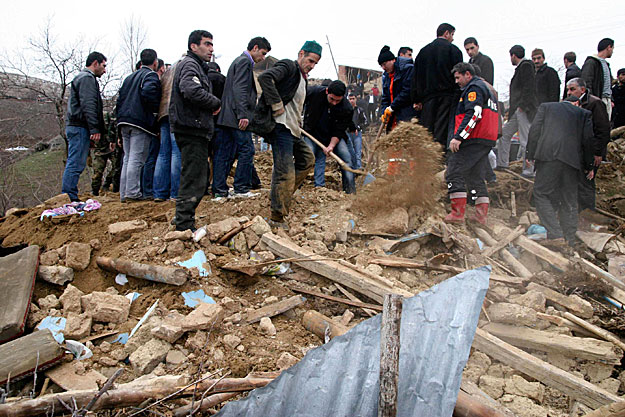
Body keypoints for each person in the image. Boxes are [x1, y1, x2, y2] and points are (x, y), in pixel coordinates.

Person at [256, 41, 321, 228]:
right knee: (285, 171)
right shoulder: (288, 66)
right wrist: (276, 104)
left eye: (315, 63)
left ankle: (281, 194)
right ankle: (277, 217)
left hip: (293, 129)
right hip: (280, 126)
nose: (311, 65)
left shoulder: (303, 78)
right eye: (310, 60)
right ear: (301, 54)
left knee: (307, 160)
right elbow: (265, 78)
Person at [169, 30, 221, 232]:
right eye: (207, 44)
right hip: (191, 129)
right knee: (194, 177)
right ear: (193, 46)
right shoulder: (190, 65)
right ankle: (183, 224)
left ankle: (182, 218)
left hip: (194, 128)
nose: (211, 49)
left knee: (197, 175)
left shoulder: (196, 66)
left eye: (211, 44)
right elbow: (191, 90)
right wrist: (215, 102)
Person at [526, 97, 594, 246]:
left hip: (548, 157)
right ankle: (569, 240)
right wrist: (589, 166)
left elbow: (535, 130)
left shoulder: (546, 106)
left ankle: (555, 234)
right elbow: (588, 140)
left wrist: (530, 153)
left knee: (541, 193)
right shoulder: (583, 113)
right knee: (569, 200)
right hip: (572, 161)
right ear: (576, 103)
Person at [213, 37, 271, 199]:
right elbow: (240, 89)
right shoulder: (245, 62)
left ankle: (219, 190)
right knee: (247, 149)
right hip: (236, 117)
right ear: (255, 47)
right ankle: (241, 187)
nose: (263, 58)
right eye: (263, 53)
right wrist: (243, 115)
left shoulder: (238, 61)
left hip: (227, 117)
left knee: (225, 153)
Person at [444, 63, 498, 224]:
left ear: (467, 74)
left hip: (474, 138)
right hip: (486, 139)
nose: (456, 82)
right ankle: (480, 215)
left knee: (454, 171)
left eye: (458, 77)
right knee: (475, 175)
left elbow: (474, 114)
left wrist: (459, 136)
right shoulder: (488, 88)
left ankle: (457, 214)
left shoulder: (474, 89)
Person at [116, 48, 162, 202]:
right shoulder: (150, 76)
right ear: (155, 62)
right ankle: (133, 193)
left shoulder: (129, 78)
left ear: (141, 61)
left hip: (124, 120)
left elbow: (120, 99)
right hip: (140, 122)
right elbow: (149, 92)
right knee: (137, 158)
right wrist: (154, 112)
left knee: (128, 157)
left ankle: (124, 192)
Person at [62, 51, 107, 202]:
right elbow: (88, 104)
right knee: (76, 162)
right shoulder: (87, 78)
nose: (105, 70)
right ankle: (69, 197)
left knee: (76, 161)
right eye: (103, 65)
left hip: (77, 126)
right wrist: (94, 129)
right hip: (80, 126)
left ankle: (69, 195)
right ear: (95, 63)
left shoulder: (82, 77)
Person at [412, 23, 463, 146]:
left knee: (427, 131)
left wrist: (416, 99)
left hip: (428, 98)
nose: (453, 38)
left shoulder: (423, 52)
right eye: (452, 35)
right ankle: (440, 157)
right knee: (443, 130)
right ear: (446, 33)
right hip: (448, 97)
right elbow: (459, 76)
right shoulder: (454, 50)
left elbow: (416, 77)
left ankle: (428, 158)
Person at [566, 77, 611, 212]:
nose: (569, 92)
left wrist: (597, 153)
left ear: (582, 90)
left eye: (572, 89)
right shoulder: (573, 103)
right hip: (578, 150)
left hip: (591, 150)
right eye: (568, 89)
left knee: (586, 182)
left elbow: (603, 130)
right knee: (577, 181)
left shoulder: (595, 104)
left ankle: (587, 212)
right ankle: (577, 211)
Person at [303, 80, 356, 194]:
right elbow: (298, 99)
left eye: (338, 100)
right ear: (327, 91)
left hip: (332, 136)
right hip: (311, 133)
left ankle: (350, 192)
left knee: (346, 158)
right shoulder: (314, 92)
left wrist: (331, 146)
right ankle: (297, 186)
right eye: (332, 99)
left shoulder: (347, 108)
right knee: (307, 157)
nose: (335, 103)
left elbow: (339, 131)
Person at [496, 45, 537, 177]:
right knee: (504, 135)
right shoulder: (523, 67)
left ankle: (529, 170)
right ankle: (502, 163)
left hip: (524, 109)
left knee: (525, 140)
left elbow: (528, 87)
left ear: (513, 55)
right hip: (516, 110)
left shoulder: (526, 66)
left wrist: (523, 105)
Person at [153, 60, 181, 202]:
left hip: (162, 113)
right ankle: (175, 193)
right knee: (177, 152)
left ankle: (159, 192)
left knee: (163, 153)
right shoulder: (185, 67)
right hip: (176, 113)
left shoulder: (166, 73)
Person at [378, 46, 417, 131]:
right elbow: (385, 97)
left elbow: (407, 91)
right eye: (381, 66)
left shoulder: (407, 69)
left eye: (384, 64)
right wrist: (384, 111)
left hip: (406, 114)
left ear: (393, 60)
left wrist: (392, 107)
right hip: (393, 118)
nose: (383, 68)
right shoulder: (386, 76)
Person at [582, 38, 615, 118]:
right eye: (612, 48)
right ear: (609, 47)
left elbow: (608, 84)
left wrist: (611, 99)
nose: (613, 51)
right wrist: (592, 100)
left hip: (606, 99)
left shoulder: (606, 64)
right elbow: (586, 82)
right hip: (598, 99)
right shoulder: (591, 62)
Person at [91, 111, 117, 195]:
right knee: (97, 173)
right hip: (99, 149)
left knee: (116, 168)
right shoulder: (91, 122)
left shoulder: (108, 117)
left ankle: (108, 184)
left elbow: (113, 129)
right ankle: (95, 192)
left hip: (112, 146)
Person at [348, 93, 368, 169]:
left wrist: (359, 127)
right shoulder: (346, 110)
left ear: (356, 99)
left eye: (353, 99)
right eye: (350, 99)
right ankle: (351, 168)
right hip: (348, 133)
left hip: (357, 134)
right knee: (350, 151)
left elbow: (366, 121)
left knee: (358, 151)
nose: (352, 101)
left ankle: (358, 168)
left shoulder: (360, 110)